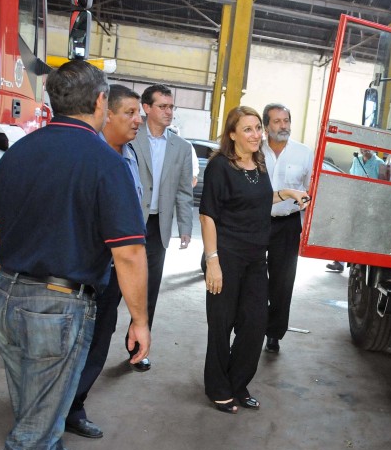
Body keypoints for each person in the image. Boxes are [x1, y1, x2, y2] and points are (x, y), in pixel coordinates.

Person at [0, 60, 149, 450]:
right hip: (54, 308)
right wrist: (139, 321)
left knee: (37, 414)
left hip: (4, 297)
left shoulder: (20, 152)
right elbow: (129, 252)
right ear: (99, 104)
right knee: (34, 431)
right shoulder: (104, 162)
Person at [199, 106, 308, 413]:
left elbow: (260, 199)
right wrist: (213, 262)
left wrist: (286, 193)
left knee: (255, 324)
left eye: (258, 128)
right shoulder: (219, 166)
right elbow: (208, 216)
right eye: (248, 129)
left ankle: (237, 383)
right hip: (227, 257)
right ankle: (218, 387)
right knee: (221, 324)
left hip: (256, 259)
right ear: (232, 134)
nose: (256, 134)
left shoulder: (258, 163)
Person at [64, 85, 144, 440]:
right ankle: (52, 416)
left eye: (138, 113)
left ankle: (74, 406)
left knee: (99, 340)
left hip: (112, 273)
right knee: (68, 347)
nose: (137, 120)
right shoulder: (87, 157)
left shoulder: (130, 157)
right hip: (82, 272)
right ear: (105, 113)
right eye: (129, 113)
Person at [127, 84, 194, 371]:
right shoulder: (130, 136)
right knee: (113, 288)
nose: (169, 112)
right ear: (147, 108)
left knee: (148, 289)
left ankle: (138, 348)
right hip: (127, 222)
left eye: (171, 107)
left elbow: (183, 191)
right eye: (163, 106)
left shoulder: (181, 147)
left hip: (157, 226)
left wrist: (185, 226)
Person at [261, 103, 313, 354]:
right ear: (266, 125)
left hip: (287, 224)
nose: (284, 126)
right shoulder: (254, 150)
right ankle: (249, 326)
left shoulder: (304, 153)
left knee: (282, 282)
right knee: (253, 278)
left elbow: (311, 189)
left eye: (286, 120)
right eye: (277, 121)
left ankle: (274, 333)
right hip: (256, 223)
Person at [326, 149, 387, 274]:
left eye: (367, 146)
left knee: (363, 232)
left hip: (370, 206)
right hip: (354, 201)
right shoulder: (356, 159)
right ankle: (339, 261)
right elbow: (351, 178)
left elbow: (383, 187)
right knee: (346, 230)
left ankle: (360, 264)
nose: (364, 149)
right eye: (362, 146)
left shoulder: (380, 164)